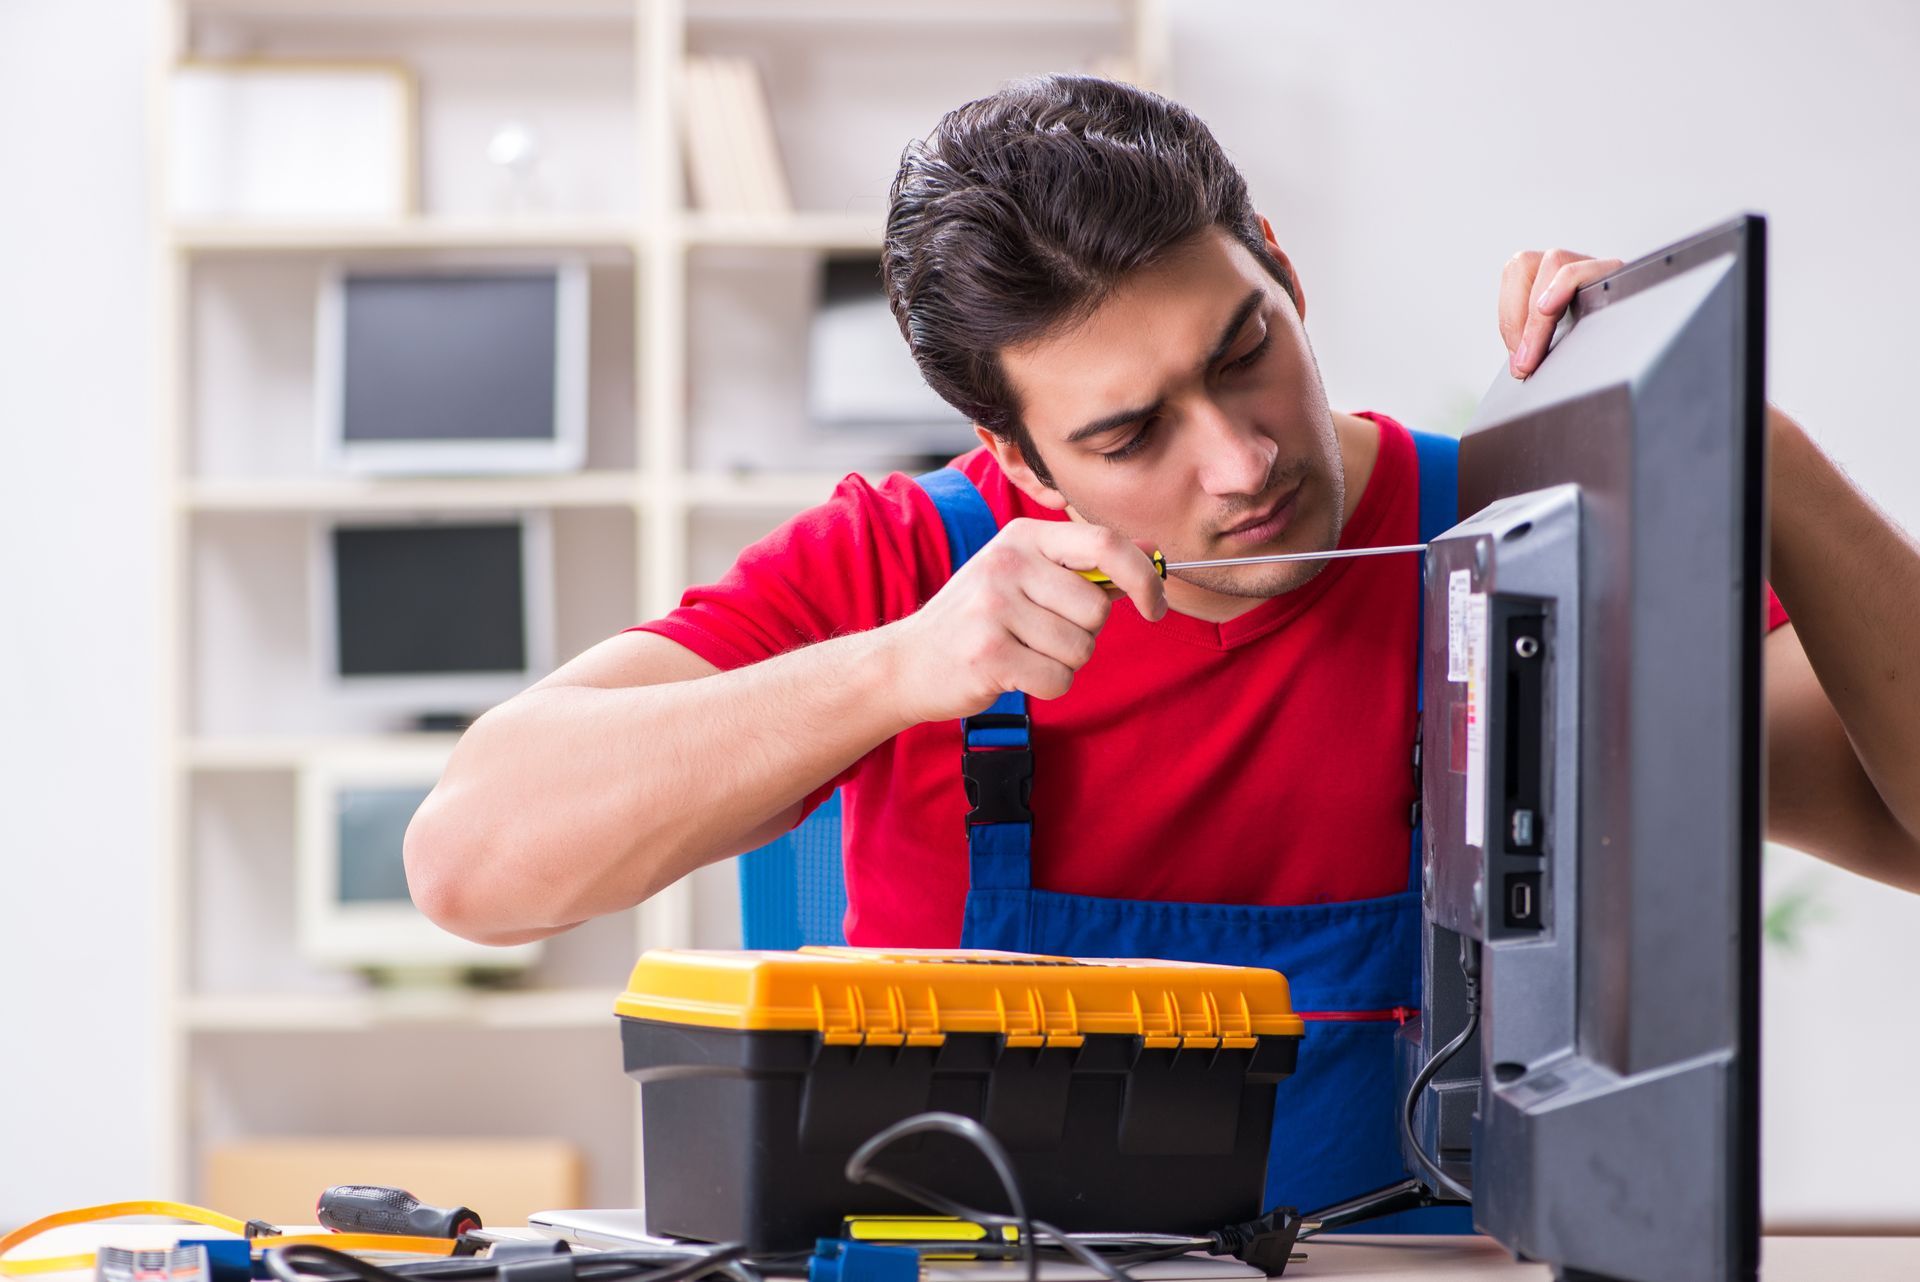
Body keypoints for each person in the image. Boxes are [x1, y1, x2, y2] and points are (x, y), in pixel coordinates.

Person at [404, 75, 1920, 1219]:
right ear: (1013, 453)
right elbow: (473, 860)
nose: (1243, 460)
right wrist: (895, 671)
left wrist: (1759, 453)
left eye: (1243, 349)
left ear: (1279, 264)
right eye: (1131, 433)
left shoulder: (1520, 545)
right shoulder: (898, 566)